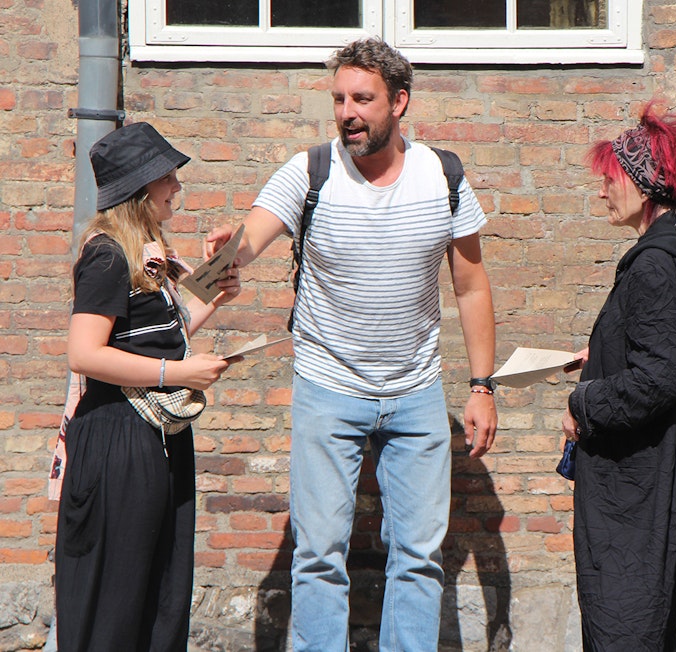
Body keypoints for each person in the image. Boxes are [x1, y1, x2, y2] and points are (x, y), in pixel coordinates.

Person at [204, 38, 497, 651]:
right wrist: (230, 250)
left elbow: (470, 285)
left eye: (362, 98)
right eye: (339, 98)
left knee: (418, 558)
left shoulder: (442, 177)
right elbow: (254, 235)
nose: (347, 112)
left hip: (416, 393)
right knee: (318, 557)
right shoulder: (310, 171)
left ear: (400, 103)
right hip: (328, 389)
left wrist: (481, 386)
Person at [53, 122, 241, 651]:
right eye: (167, 179)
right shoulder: (108, 256)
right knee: (118, 596)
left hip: (158, 438)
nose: (176, 189)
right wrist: (177, 375)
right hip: (117, 441)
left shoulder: (145, 253)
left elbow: (158, 336)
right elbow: (85, 354)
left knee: (159, 592)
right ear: (140, 189)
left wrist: (216, 293)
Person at [561, 103, 676, 651]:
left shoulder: (655, 265)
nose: (602, 193)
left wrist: (583, 402)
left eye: (610, 180)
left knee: (629, 624)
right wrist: (609, 350)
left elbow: (656, 381)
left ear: (645, 184)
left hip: (639, 489)